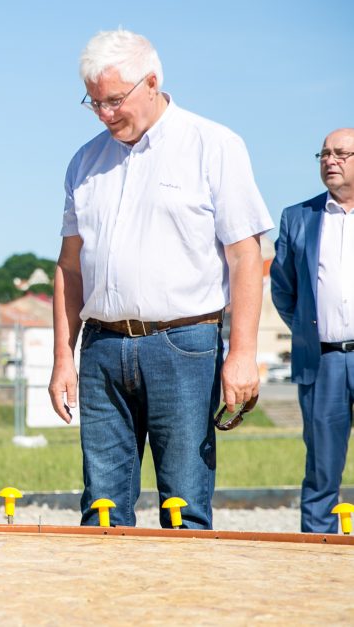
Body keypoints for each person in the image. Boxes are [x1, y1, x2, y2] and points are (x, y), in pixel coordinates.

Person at [47, 29, 273, 529]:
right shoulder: (85, 162)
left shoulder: (213, 145)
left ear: (152, 82)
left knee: (185, 504)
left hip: (184, 345)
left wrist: (241, 353)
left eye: (114, 101)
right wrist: (64, 356)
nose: (105, 114)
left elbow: (245, 257)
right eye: (94, 102)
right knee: (101, 506)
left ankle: (187, 606)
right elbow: (68, 266)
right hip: (102, 350)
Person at [270, 128, 354, 534]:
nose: (329, 161)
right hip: (322, 362)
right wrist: (306, 332)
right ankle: (317, 553)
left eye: (340, 154)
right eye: (323, 154)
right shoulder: (298, 217)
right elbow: (284, 290)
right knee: (321, 470)